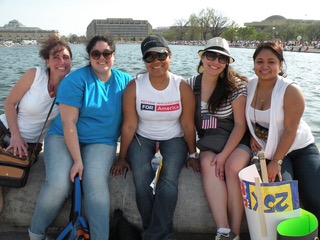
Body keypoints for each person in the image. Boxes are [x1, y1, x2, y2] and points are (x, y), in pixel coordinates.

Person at [28, 35, 132, 240]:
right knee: (58, 184)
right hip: (62, 137)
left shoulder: (126, 82)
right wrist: (77, 160)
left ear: (113, 56)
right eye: (96, 54)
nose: (101, 58)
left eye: (106, 53)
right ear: (89, 56)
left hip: (102, 141)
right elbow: (68, 124)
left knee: (95, 183)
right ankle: (35, 234)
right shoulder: (76, 80)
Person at [111, 35, 198, 240]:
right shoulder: (134, 87)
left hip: (174, 139)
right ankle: (160, 234)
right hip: (143, 138)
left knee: (168, 180)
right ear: (144, 61)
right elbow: (130, 125)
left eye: (161, 55)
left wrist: (193, 154)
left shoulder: (182, 87)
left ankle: (153, 235)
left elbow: (187, 124)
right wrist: (122, 157)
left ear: (170, 56)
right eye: (149, 57)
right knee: (141, 177)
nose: (156, 62)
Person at [246, 41, 320, 233]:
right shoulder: (250, 86)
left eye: (271, 62)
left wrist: (276, 161)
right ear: (254, 64)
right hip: (272, 149)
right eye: (260, 61)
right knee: (281, 196)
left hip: (300, 149)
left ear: (280, 65)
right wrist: (252, 136)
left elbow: (290, 130)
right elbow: (250, 118)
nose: (264, 66)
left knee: (314, 197)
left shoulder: (290, 90)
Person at [187, 37, 250, 240]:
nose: (215, 61)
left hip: (236, 140)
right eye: (211, 55)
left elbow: (240, 125)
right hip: (210, 141)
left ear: (227, 63)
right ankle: (223, 230)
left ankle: (236, 232)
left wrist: (223, 155)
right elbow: (187, 123)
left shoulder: (235, 87)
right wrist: (192, 153)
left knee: (232, 168)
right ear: (202, 58)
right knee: (207, 163)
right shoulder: (189, 85)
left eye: (222, 58)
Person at [0, 35, 72, 213]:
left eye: (66, 57)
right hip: (5, 130)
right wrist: (16, 136)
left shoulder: (72, 85)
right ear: (47, 61)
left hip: (30, 144)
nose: (61, 61)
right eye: (55, 57)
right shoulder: (35, 75)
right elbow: (9, 103)